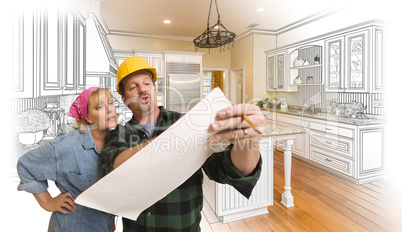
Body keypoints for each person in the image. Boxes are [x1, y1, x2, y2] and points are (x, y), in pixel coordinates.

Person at [101, 56, 265, 231]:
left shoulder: (186, 122)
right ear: (124, 98)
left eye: (147, 84)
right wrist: (175, 139)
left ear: (155, 89)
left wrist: (249, 142)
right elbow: (112, 169)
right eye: (133, 87)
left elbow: (226, 169)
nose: (143, 90)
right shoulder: (119, 134)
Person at [17, 87, 117, 232]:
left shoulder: (116, 145)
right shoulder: (67, 145)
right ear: (88, 117)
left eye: (111, 103)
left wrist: (110, 220)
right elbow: (25, 164)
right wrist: (48, 202)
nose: (109, 109)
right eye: (100, 107)